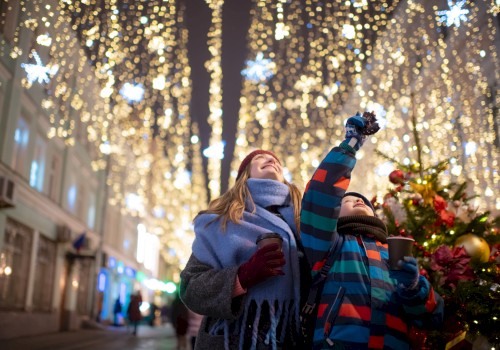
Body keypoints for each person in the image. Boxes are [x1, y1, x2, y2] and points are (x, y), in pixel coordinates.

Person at [300, 112, 444, 349]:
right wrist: (349, 147)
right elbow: (320, 193)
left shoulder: (392, 253)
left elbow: (432, 316)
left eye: (364, 201)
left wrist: (413, 286)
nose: (358, 201)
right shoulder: (328, 245)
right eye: (348, 200)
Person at [180, 149, 311, 350]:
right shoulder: (221, 222)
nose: (270, 160)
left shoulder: (304, 220)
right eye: (260, 158)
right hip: (233, 340)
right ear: (245, 174)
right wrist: (241, 278)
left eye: (276, 160)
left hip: (291, 338)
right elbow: (190, 288)